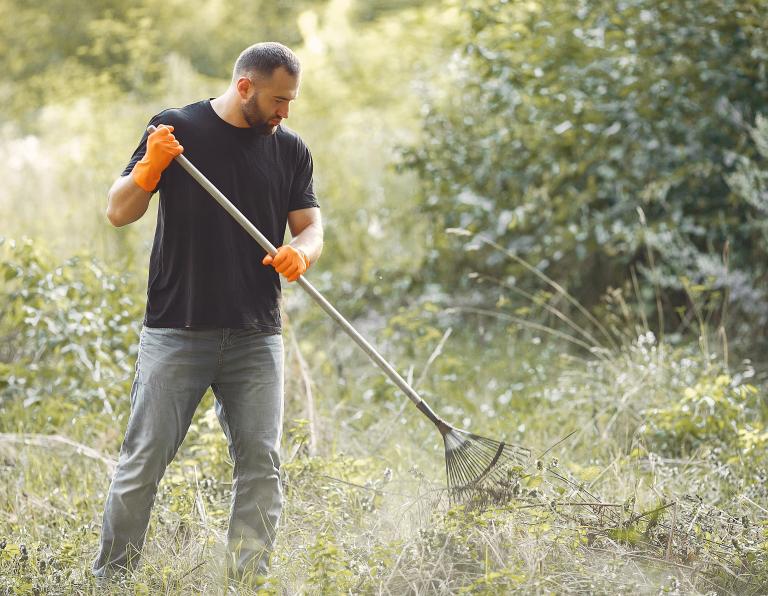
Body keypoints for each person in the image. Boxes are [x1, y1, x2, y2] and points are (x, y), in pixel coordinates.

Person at [94, 42, 323, 585]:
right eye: (277, 100)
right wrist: (150, 166)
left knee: (261, 469)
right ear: (245, 86)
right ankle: (111, 581)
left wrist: (302, 253)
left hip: (256, 335)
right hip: (178, 330)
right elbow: (119, 211)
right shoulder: (176, 130)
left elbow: (311, 226)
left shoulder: (290, 150)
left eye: (290, 101)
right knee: (142, 464)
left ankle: (247, 582)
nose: (284, 112)